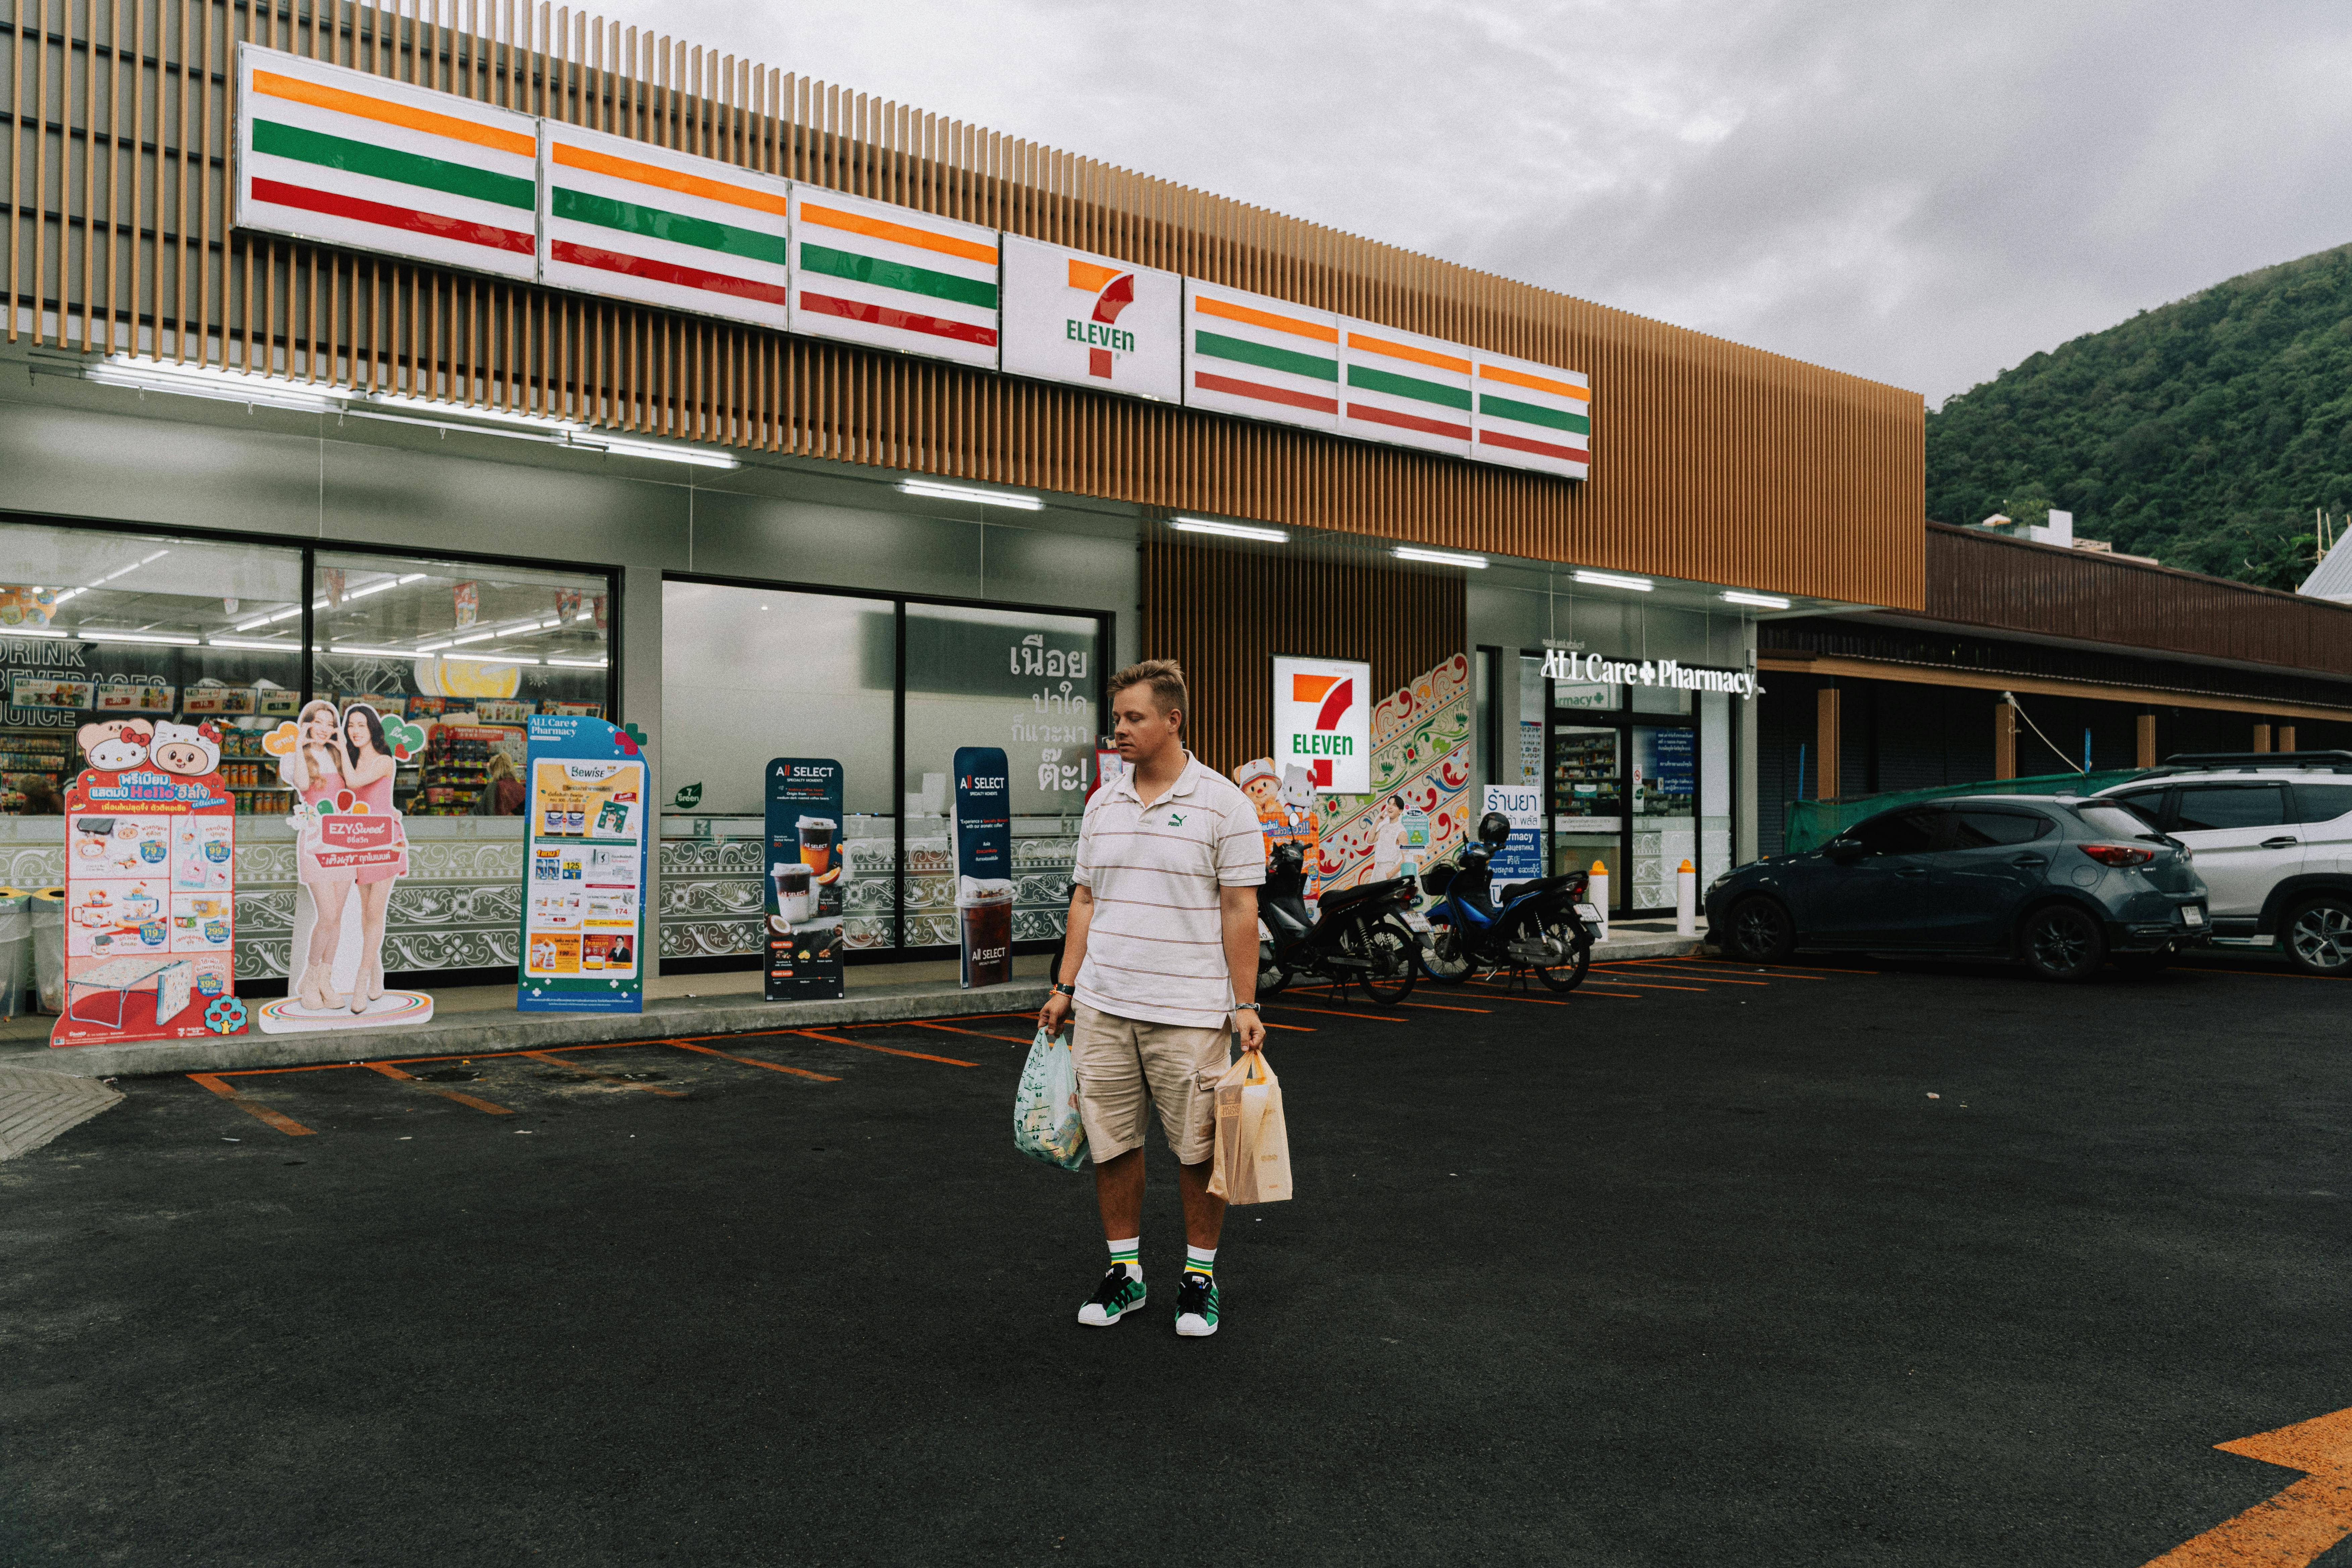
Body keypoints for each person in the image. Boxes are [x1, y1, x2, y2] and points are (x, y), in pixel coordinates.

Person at [1037, 659, 1266, 1339]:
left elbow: (1239, 907)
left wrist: (1245, 1003)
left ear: (1173, 719)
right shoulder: (1103, 802)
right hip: (1104, 1005)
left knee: (1200, 1149)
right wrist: (1064, 986)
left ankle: (1199, 1277)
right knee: (1112, 1143)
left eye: (1134, 717)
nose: (1121, 730)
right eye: (1117, 718)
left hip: (1190, 1010)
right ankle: (1126, 1273)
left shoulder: (1225, 803)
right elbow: (1085, 898)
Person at [278, 699, 354, 1011]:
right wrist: (300, 744)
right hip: (315, 843)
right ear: (307, 724)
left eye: (329, 724)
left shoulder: (339, 757)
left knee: (337, 919)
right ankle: (309, 979)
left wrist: (344, 747)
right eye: (317, 723)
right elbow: (301, 783)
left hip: (345, 842)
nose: (324, 730)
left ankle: (326, 978)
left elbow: (357, 787)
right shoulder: (296, 757)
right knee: (327, 916)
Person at [340, 703, 408, 1013]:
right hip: (359, 841)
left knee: (375, 912)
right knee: (366, 913)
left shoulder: (384, 761)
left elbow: (354, 783)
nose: (355, 731)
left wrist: (339, 749)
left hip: (384, 841)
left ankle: (362, 979)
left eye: (361, 726)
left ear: (372, 730)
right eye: (350, 726)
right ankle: (376, 971)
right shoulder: (350, 760)